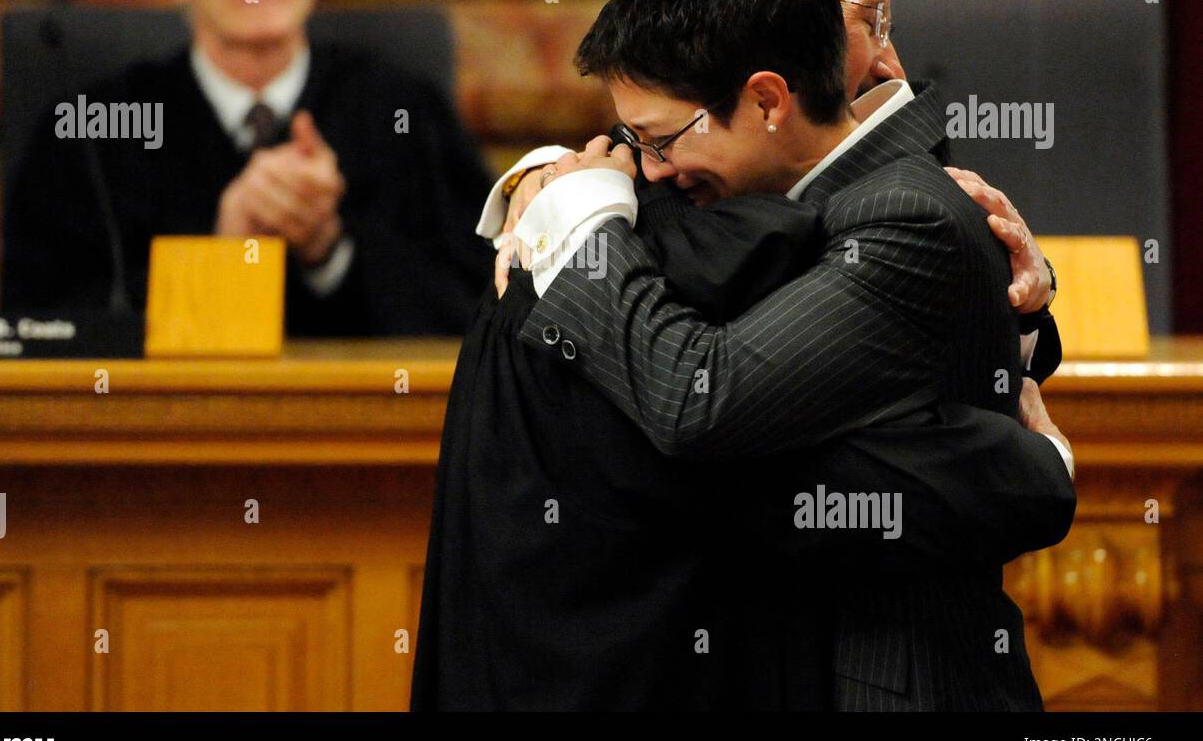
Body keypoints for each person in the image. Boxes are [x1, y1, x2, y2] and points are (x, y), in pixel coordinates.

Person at [507, 0, 1068, 710]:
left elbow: (701, 401)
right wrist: (540, 179)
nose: (884, 59)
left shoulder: (903, 209)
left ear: (768, 93)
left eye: (872, 18)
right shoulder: (742, 187)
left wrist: (586, 233)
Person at [411, 158, 1074, 710]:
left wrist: (1017, 318)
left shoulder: (584, 238)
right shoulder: (734, 266)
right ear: (765, 92)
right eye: (862, 23)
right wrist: (1043, 471)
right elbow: (806, 478)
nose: (890, 66)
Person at [0, 0, 492, 335]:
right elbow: (45, 333)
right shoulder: (93, 134)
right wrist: (222, 255)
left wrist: (329, 249)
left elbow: (478, 314)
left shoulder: (402, 110)